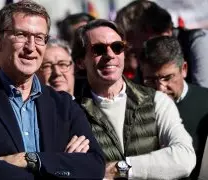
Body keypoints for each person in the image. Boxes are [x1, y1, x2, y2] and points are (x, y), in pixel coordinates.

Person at [0, 1, 105, 179]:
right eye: (21, 35)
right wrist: (60, 165)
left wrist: (30, 159)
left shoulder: (63, 105)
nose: (31, 47)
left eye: (39, 38)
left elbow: (94, 167)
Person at [72, 19, 196, 179]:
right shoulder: (72, 112)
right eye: (99, 49)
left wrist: (120, 168)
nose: (110, 55)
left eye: (117, 47)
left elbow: (185, 158)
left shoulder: (156, 101)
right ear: (81, 62)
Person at [139, 36, 208, 179]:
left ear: (184, 69)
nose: (160, 89)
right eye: (150, 80)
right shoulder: (133, 106)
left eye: (167, 78)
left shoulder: (205, 103)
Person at [115, 0, 208, 88]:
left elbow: (202, 95)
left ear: (147, 29)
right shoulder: (144, 58)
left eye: (130, 35)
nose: (128, 44)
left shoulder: (196, 41)